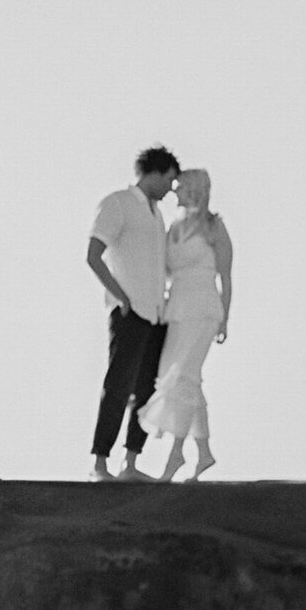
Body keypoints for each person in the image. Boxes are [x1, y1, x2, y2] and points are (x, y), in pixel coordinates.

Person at [86, 146, 181, 482]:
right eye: (169, 180)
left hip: (157, 313)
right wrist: (121, 297)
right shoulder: (118, 204)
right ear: (155, 172)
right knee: (118, 385)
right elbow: (94, 254)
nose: (171, 189)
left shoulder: (158, 215)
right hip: (130, 311)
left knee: (146, 390)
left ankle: (130, 462)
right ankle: (99, 463)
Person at [138, 168, 232, 482]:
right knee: (176, 377)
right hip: (176, 307)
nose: (175, 193)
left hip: (204, 307)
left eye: (180, 188)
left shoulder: (214, 227)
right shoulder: (175, 227)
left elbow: (226, 276)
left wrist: (225, 318)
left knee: (185, 377)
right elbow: (160, 268)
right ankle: (203, 453)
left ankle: (176, 455)